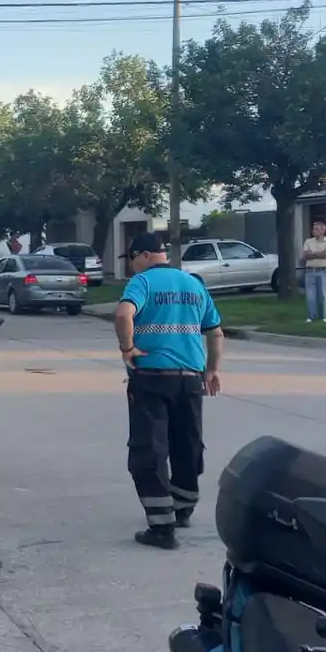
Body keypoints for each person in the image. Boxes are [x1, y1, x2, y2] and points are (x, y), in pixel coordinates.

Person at [113, 231, 223, 551]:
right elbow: (215, 332)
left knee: (150, 447)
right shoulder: (194, 285)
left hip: (151, 377)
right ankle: (183, 507)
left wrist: (127, 347)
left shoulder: (143, 282)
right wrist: (213, 370)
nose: (132, 266)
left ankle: (162, 528)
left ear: (145, 255)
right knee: (187, 443)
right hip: (190, 378)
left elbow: (123, 314)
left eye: (132, 259)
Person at [302, 219, 326, 324]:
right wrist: (320, 254)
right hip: (310, 271)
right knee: (310, 296)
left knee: (322, 295)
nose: (313, 231)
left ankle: (322, 316)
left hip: (324, 271)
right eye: (313, 229)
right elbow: (305, 256)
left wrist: (313, 254)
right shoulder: (308, 242)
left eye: (316, 229)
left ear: (323, 231)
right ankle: (311, 316)